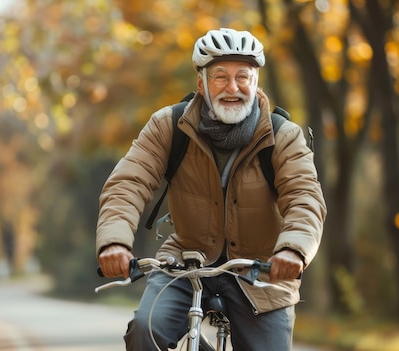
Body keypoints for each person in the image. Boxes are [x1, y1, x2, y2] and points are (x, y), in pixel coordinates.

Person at [96, 28, 326, 350]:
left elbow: (305, 197)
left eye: (243, 77)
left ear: (255, 81)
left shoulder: (283, 136)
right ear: (201, 83)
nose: (232, 88)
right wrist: (115, 242)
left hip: (259, 273)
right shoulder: (169, 126)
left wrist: (293, 249)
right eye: (220, 77)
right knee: (146, 331)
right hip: (185, 263)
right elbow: (127, 183)